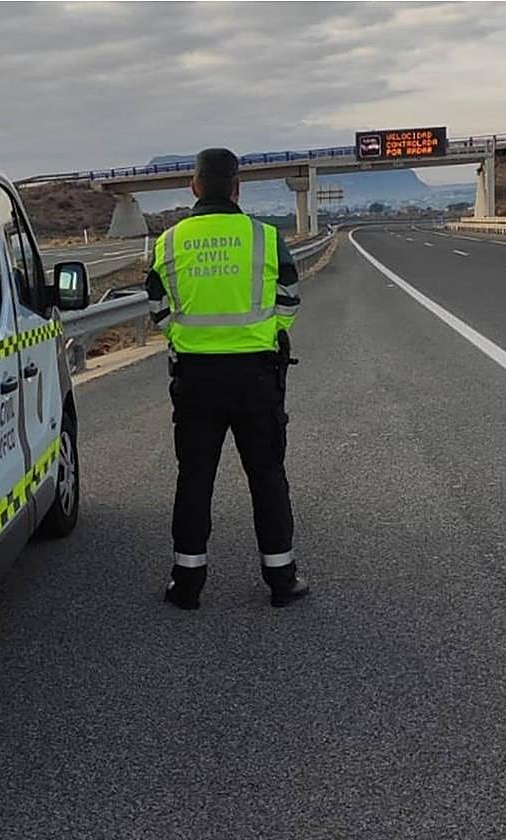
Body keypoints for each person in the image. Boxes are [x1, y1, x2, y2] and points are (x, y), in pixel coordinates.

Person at [145, 148, 308, 609]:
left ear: (194, 187)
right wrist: (269, 333)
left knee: (195, 479)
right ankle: (281, 581)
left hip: (195, 380)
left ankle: (188, 586)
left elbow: (157, 307)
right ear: (237, 187)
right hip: (257, 376)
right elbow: (291, 298)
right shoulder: (264, 236)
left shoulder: (169, 242)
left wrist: (184, 338)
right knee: (267, 476)